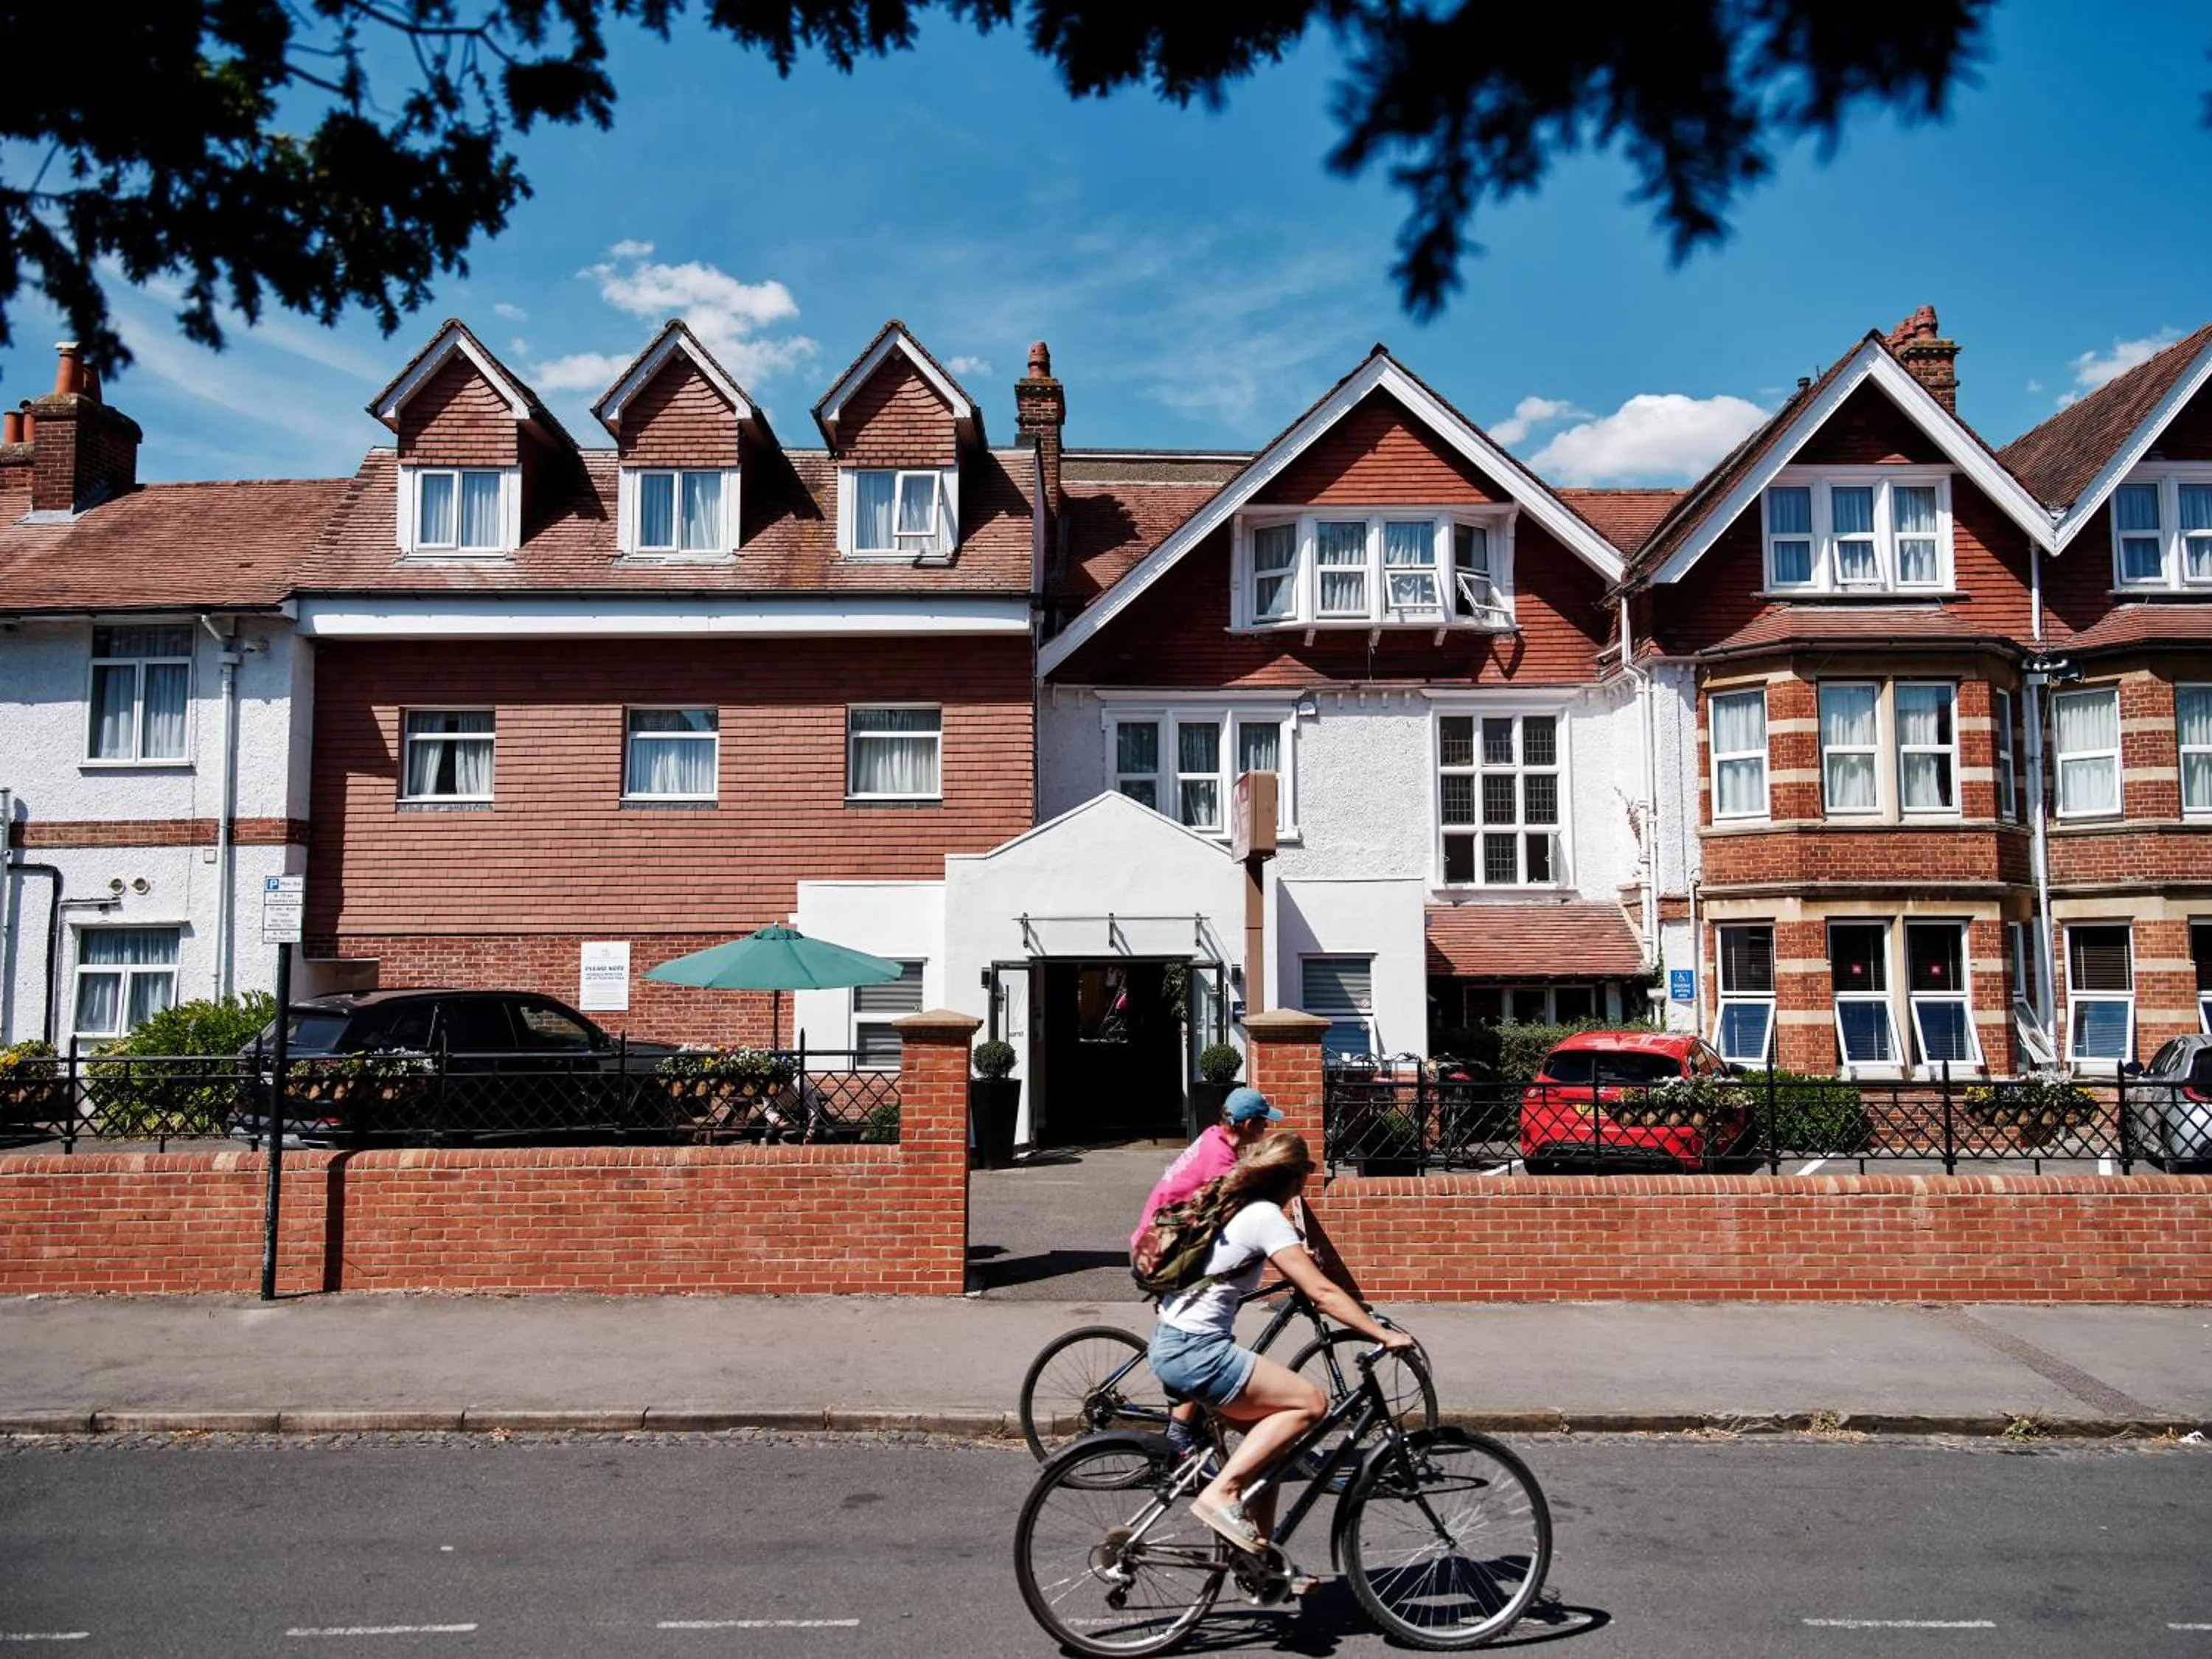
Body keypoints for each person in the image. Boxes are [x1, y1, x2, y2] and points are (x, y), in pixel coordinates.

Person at [1148, 1129, 1413, 1556]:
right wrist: (1381, 1332)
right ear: (1294, 1179)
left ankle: (1258, 1558)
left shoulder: (1236, 1205)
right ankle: (1222, 1494)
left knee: (1269, 1450)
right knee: (1311, 1403)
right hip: (1196, 1351)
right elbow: (1323, 1294)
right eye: (1307, 1174)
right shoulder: (1265, 1217)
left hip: (1174, 1339)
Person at [1131, 1085, 1283, 1458]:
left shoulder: (1213, 1138)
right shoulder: (1220, 1160)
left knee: (1199, 1336)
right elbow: (1236, 1216)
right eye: (1263, 1123)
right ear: (1247, 1124)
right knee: (1200, 1339)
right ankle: (1180, 1435)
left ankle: (1186, 1427)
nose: (1265, 1130)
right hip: (1166, 1252)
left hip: (1165, 1243)